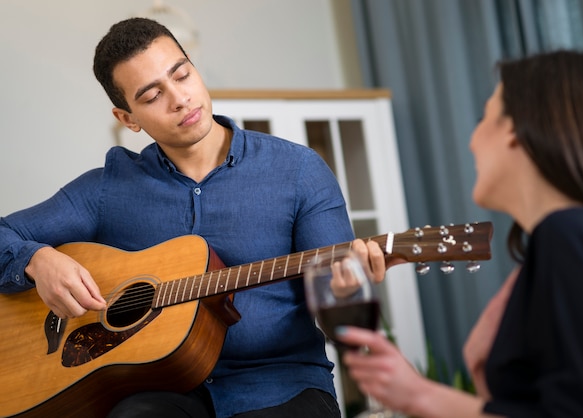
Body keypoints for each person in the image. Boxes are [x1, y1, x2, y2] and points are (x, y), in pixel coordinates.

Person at [0, 17, 386, 418]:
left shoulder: (300, 171)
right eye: (152, 97)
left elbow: (351, 332)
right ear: (128, 119)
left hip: (279, 386)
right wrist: (36, 260)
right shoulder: (106, 189)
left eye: (182, 75)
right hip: (159, 387)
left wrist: (346, 297)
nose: (180, 99)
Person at [336, 50, 583, 417]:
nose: (472, 141)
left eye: (483, 118)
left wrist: (421, 396)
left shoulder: (568, 236)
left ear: (516, 133)